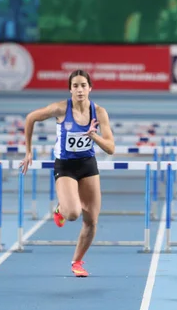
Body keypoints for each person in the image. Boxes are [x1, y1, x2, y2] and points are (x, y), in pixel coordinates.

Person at [20, 70, 115, 278]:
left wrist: (94, 136)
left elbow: (111, 148)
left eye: (83, 85)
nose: (80, 90)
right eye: (75, 86)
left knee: (91, 220)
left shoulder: (99, 112)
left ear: (90, 88)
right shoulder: (60, 109)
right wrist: (28, 151)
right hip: (65, 165)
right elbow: (30, 119)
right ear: (70, 89)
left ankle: (77, 261)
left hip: (88, 164)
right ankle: (61, 208)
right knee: (72, 214)